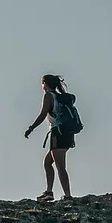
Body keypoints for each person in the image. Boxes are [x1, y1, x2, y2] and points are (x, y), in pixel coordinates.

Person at [24, 73, 76, 202]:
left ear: (45, 84)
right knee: (47, 163)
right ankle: (49, 192)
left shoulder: (49, 96)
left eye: (42, 83)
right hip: (67, 134)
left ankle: (68, 196)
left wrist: (31, 128)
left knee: (60, 167)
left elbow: (42, 115)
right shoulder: (60, 97)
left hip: (57, 134)